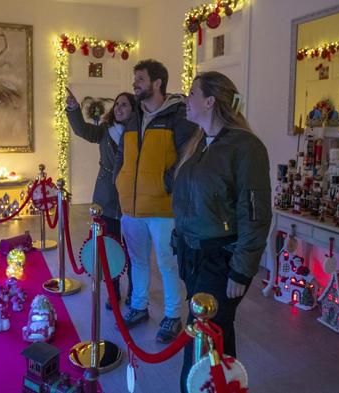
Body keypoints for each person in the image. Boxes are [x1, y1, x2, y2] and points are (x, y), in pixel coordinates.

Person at [171, 71, 272, 391]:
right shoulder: (199, 142)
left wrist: (241, 272)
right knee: (218, 336)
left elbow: (256, 215)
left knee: (198, 342)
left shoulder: (246, 146)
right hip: (191, 254)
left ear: (210, 101)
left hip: (221, 259)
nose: (186, 100)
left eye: (191, 93)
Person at [114, 59, 196, 343]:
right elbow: (122, 157)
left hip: (163, 207)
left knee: (167, 262)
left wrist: (165, 184)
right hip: (132, 206)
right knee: (137, 261)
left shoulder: (178, 115)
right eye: (134, 78)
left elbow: (188, 156)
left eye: (140, 78)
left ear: (157, 83)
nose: (134, 83)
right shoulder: (134, 117)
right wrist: (120, 182)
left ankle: (173, 315)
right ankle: (138, 306)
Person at [66, 89, 137, 309]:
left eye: (124, 104)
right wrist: (74, 108)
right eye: (117, 104)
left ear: (134, 110)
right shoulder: (106, 131)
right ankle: (113, 292)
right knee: (111, 247)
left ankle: (136, 293)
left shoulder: (139, 132)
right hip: (106, 197)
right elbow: (82, 130)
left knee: (134, 250)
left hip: (132, 197)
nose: (119, 108)